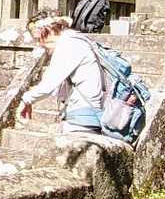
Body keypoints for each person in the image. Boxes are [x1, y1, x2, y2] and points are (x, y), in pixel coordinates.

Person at [16, 11, 109, 139]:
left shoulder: (69, 44)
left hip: (82, 118)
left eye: (39, 39)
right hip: (84, 115)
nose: (40, 44)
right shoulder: (74, 41)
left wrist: (25, 100)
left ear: (49, 30)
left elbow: (48, 85)